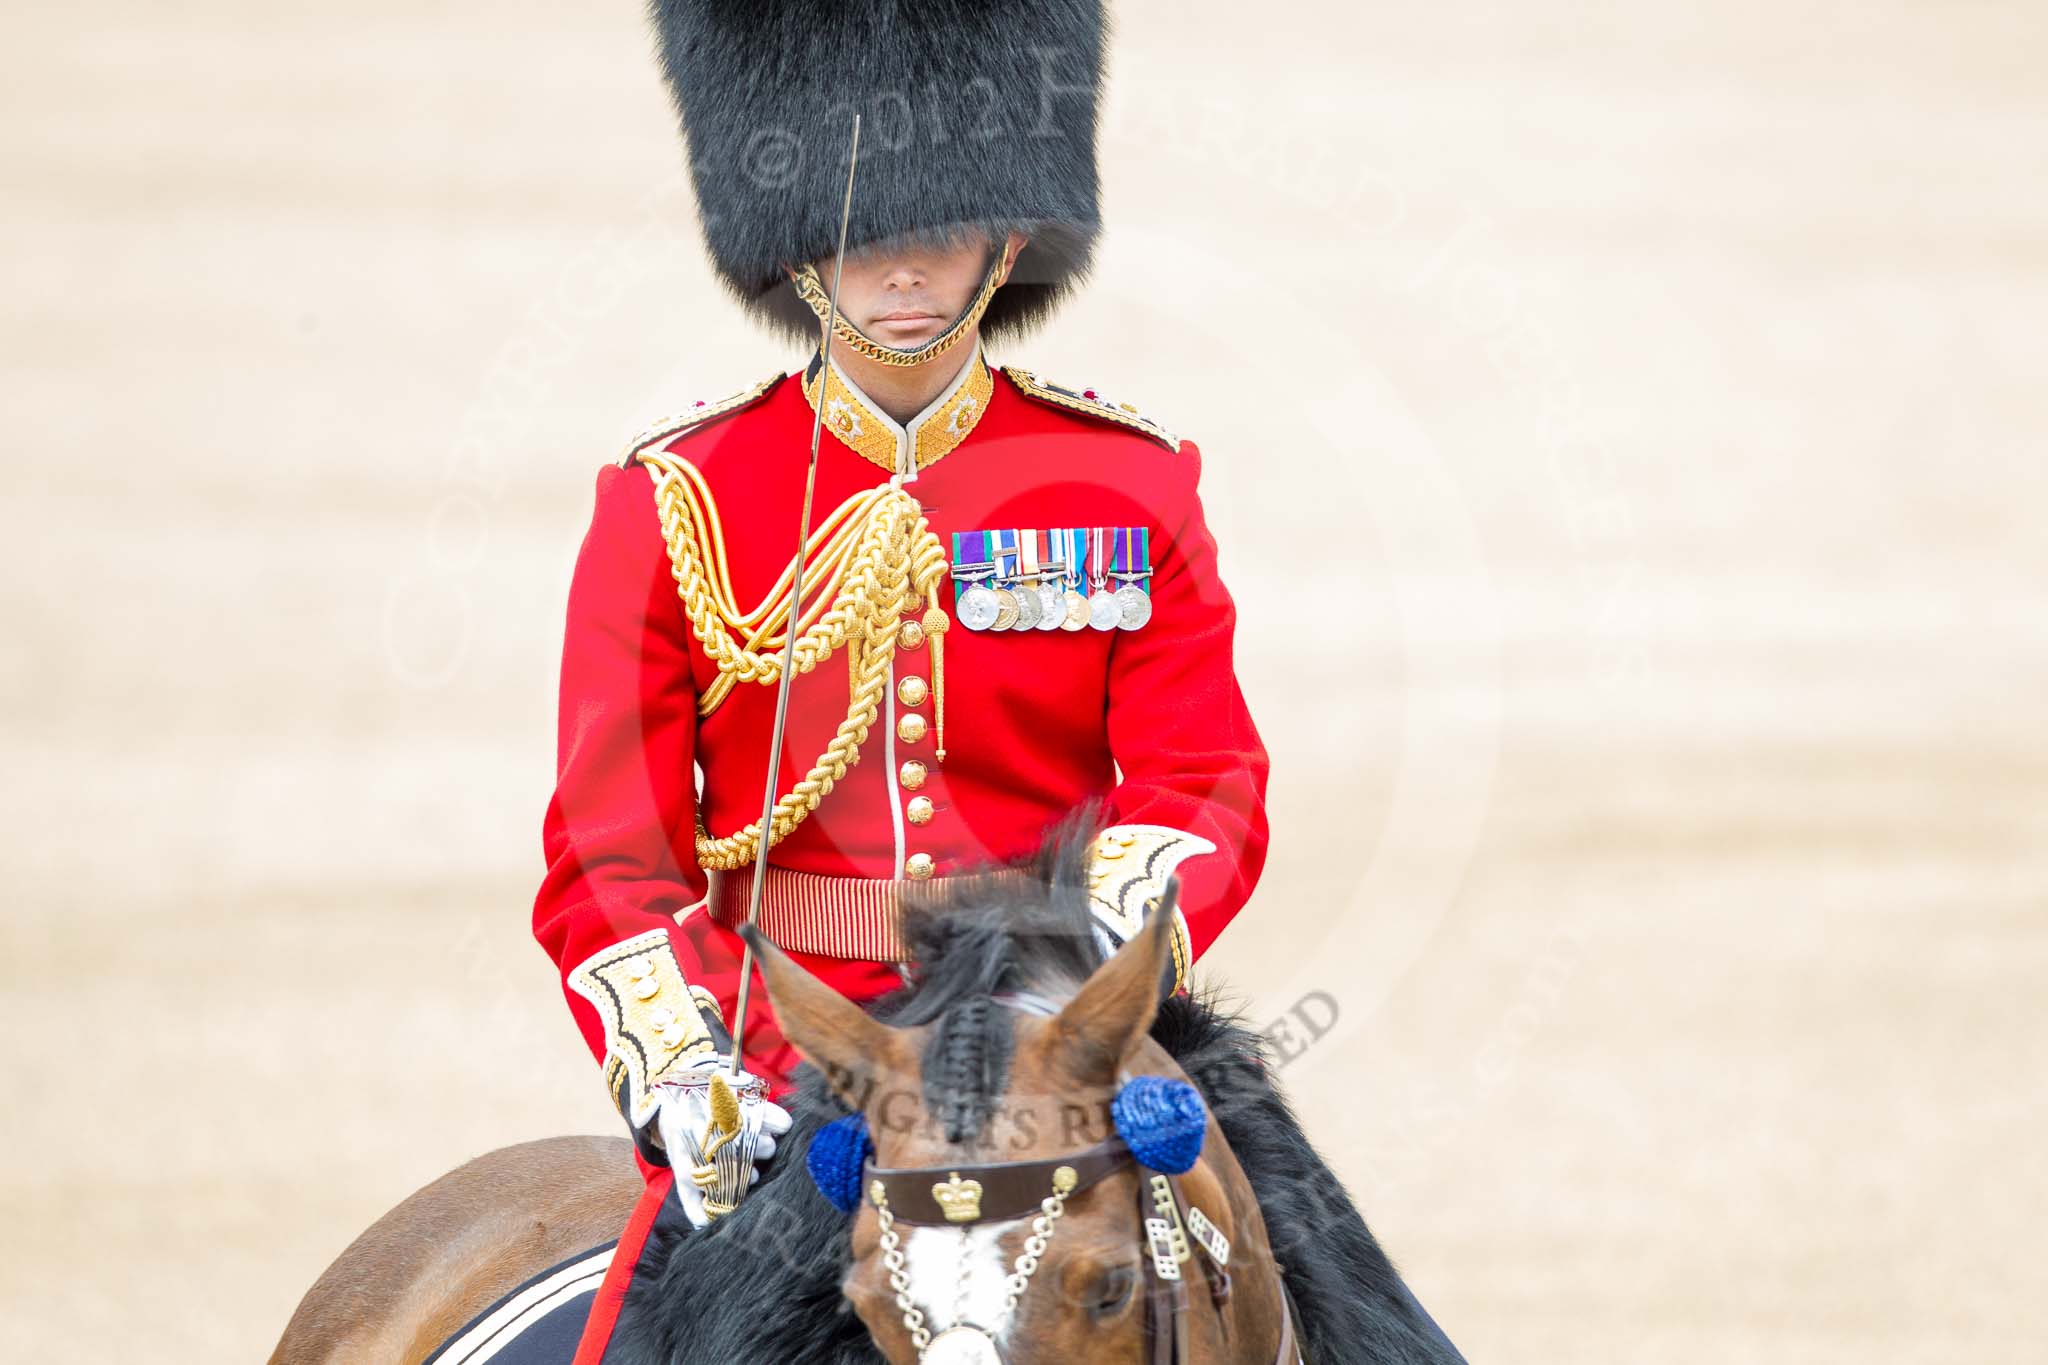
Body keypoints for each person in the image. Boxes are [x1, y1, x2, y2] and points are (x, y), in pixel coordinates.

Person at [531, 1, 1269, 1356]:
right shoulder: (675, 503)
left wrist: (1077, 989)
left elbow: (1199, 778)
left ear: (1005, 232)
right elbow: (607, 853)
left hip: (1070, 1034)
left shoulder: (1126, 483)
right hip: (793, 1053)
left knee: (1345, 1299)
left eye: (939, 219)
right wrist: (685, 1061)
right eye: (864, 223)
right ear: (798, 239)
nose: (903, 263)